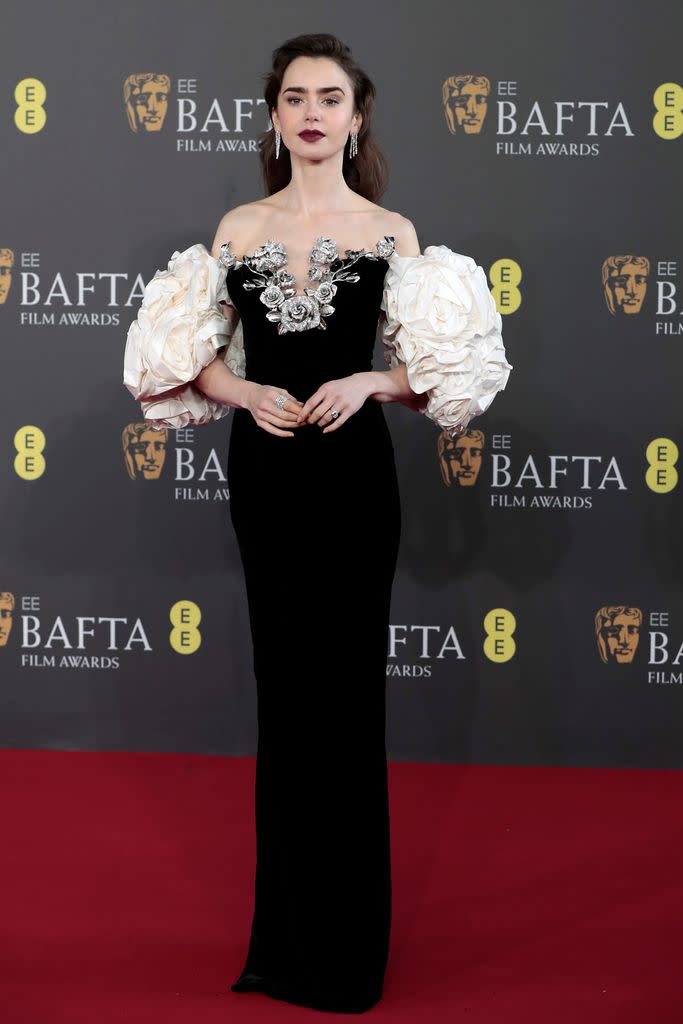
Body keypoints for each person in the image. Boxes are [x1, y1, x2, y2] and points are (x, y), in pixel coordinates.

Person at [123, 32, 511, 1015]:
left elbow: (443, 377)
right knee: (286, 697)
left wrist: (370, 378)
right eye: (294, 95)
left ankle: (344, 956)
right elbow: (176, 362)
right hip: (265, 475)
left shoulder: (392, 232)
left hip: (350, 481)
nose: (310, 111)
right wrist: (243, 391)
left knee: (344, 703)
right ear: (272, 114)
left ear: (355, 113)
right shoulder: (238, 225)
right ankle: (283, 942)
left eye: (328, 96)